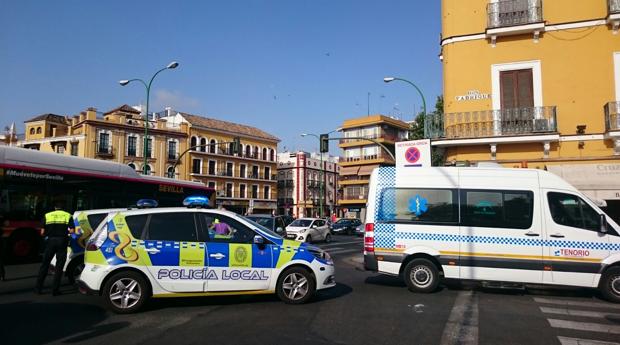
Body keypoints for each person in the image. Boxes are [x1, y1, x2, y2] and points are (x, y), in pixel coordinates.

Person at [36, 201, 74, 295]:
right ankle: (55, 290)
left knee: (45, 265)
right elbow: (72, 231)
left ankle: (38, 289)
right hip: (62, 241)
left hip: (50, 242)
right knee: (59, 266)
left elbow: (42, 232)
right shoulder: (68, 215)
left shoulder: (47, 215)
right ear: (63, 207)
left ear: (55, 207)